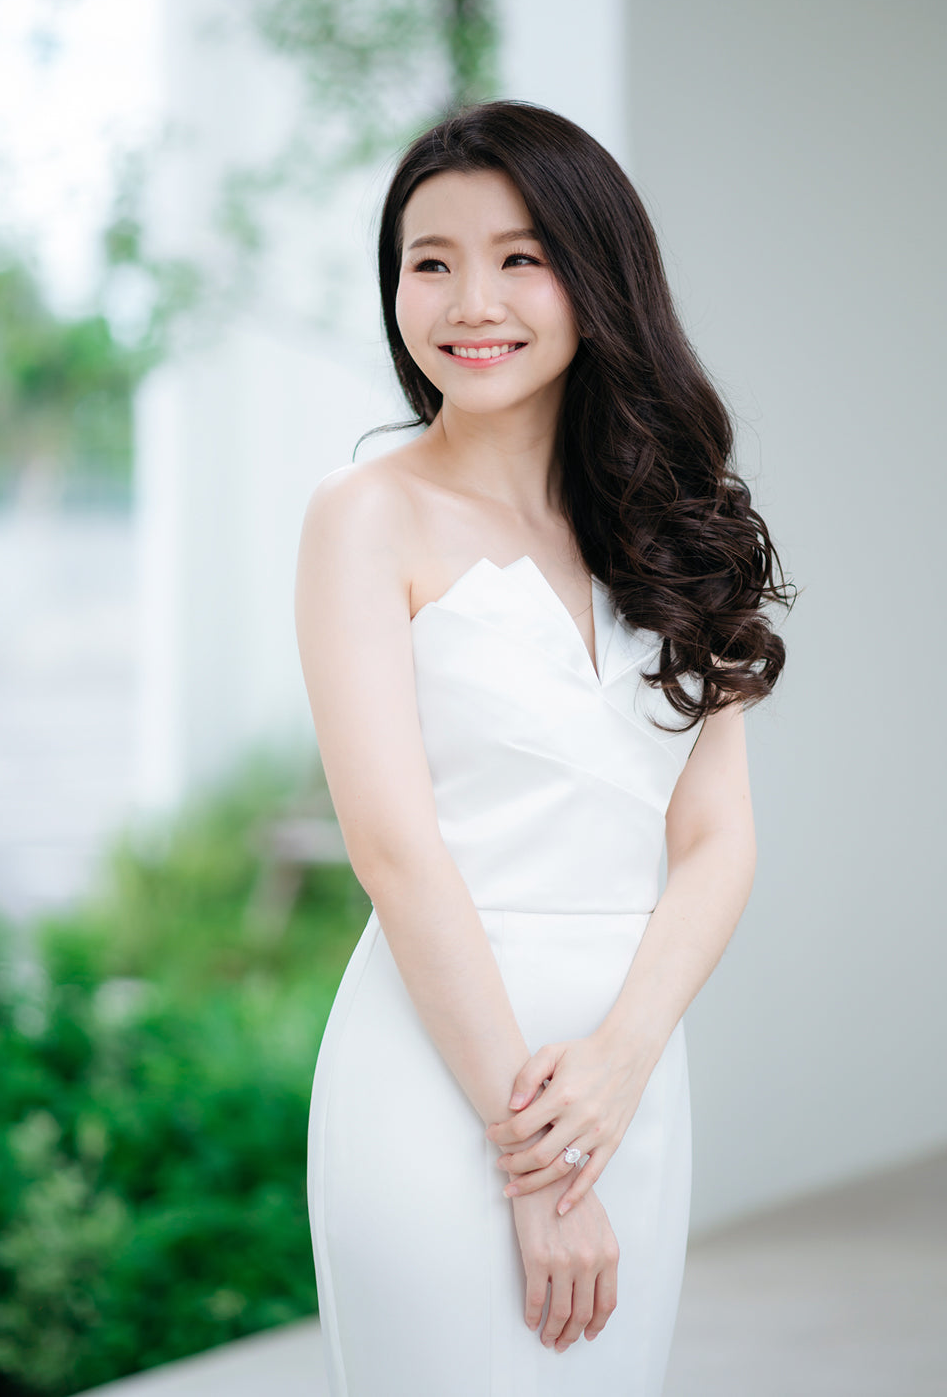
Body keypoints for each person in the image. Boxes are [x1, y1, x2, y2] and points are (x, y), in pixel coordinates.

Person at [294, 99, 792, 1397]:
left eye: (520, 257)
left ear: (596, 275)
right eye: (430, 261)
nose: (472, 299)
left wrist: (621, 1066)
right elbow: (397, 855)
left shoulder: (676, 524)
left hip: (631, 1085)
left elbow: (716, 836)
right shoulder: (365, 519)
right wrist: (537, 1164)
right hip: (438, 1078)